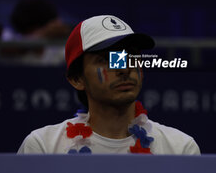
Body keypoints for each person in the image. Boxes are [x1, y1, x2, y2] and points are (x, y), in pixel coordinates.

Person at [18, 15, 200, 154]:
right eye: (106, 59)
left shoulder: (180, 149)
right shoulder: (43, 147)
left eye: (130, 56)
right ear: (77, 79)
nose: (124, 68)